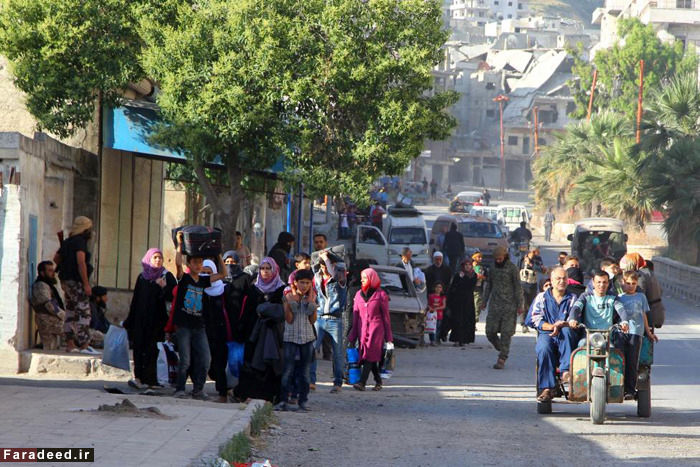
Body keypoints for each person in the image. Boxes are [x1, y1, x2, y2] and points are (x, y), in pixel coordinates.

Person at [172, 233, 226, 399]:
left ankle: (198, 389)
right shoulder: (184, 279)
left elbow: (223, 274)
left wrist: (218, 254)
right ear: (189, 264)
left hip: (199, 326)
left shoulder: (204, 281)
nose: (198, 265)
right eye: (195, 262)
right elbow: (178, 263)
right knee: (185, 360)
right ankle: (180, 389)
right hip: (183, 326)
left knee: (206, 358)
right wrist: (180, 244)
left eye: (200, 262)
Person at [233, 257, 287, 402]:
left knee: (271, 363)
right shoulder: (254, 289)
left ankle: (271, 396)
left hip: (273, 332)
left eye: (268, 268)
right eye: (262, 269)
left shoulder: (281, 289)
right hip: (254, 332)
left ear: (274, 270)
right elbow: (246, 312)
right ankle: (248, 394)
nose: (265, 272)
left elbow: (284, 312)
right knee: (252, 362)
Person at [124, 248, 176, 389]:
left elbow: (174, 297)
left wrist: (164, 287)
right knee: (139, 348)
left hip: (158, 322)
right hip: (140, 321)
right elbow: (135, 300)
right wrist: (129, 321)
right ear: (148, 259)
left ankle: (151, 380)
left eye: (160, 257)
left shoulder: (166, 276)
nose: (158, 260)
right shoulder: (142, 278)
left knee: (153, 350)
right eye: (155, 257)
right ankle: (138, 378)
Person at [529, 267, 579, 403]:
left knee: (567, 332)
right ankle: (546, 388)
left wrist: (563, 324)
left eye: (564, 278)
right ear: (551, 281)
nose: (561, 281)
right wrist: (552, 326)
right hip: (547, 333)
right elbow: (533, 319)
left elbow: (575, 317)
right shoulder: (542, 298)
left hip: (566, 332)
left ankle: (565, 371)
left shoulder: (573, 298)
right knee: (543, 348)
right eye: (558, 279)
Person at [276, 268, 318, 412]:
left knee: (305, 372)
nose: (304, 286)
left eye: (307, 283)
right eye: (302, 282)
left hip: (307, 338)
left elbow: (312, 320)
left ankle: (303, 401)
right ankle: (283, 400)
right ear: (295, 282)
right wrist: (291, 303)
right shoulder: (287, 295)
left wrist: (312, 304)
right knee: (288, 370)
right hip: (291, 337)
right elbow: (289, 319)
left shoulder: (313, 296)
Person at [55, 216, 97, 354]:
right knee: (83, 312)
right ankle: (84, 345)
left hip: (66, 281)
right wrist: (86, 284)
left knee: (70, 312)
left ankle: (70, 344)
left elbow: (56, 258)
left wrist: (66, 264)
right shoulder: (79, 242)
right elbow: (81, 262)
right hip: (76, 282)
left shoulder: (68, 241)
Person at [348, 268, 393, 391]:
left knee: (369, 355)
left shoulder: (381, 295)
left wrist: (388, 337)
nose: (362, 280)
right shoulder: (358, 295)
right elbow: (356, 317)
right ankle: (378, 381)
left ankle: (362, 383)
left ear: (372, 279)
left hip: (376, 331)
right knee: (369, 356)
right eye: (361, 277)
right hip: (362, 331)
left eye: (365, 277)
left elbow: (386, 317)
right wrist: (352, 336)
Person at [616, 270, 659, 399]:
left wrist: (648, 332)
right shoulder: (619, 298)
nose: (631, 286)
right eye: (628, 283)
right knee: (619, 360)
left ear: (637, 284)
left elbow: (643, 315)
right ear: (623, 282)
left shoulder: (641, 297)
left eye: (633, 283)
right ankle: (617, 387)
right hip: (621, 333)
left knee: (632, 362)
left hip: (636, 332)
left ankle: (629, 390)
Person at [311, 251, 347, 393]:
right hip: (319, 317)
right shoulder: (317, 277)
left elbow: (334, 274)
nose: (324, 269)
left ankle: (337, 382)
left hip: (334, 319)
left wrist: (327, 257)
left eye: (327, 265)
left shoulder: (340, 276)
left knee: (337, 353)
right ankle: (311, 381)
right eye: (322, 266)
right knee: (312, 349)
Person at [484, 246, 523, 369]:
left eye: (500, 258)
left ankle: (502, 358)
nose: (498, 261)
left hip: (509, 306)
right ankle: (501, 347)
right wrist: (484, 301)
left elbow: (518, 287)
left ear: (505, 256)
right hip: (495, 305)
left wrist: (520, 304)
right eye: (496, 259)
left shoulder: (512, 268)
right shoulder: (492, 268)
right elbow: (489, 285)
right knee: (490, 332)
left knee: (506, 333)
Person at [200, 259, 231, 403]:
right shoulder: (199, 289)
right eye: (203, 273)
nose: (206, 276)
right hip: (202, 331)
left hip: (220, 331)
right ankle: (197, 389)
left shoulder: (224, 289)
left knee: (219, 362)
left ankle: (222, 393)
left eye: (209, 273)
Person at [567, 270, 629, 340]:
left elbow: (621, 309)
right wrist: (573, 318)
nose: (602, 285)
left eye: (604, 282)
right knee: (581, 346)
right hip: (588, 336)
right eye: (599, 282)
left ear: (608, 283)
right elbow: (576, 307)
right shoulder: (585, 296)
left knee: (615, 347)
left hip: (607, 337)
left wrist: (625, 321)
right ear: (593, 283)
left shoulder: (613, 297)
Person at [620, 253, 666, 328]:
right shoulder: (648, 272)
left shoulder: (640, 276)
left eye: (624, 269)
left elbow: (638, 297)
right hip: (656, 312)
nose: (623, 272)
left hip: (647, 316)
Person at [30, 261, 66, 350]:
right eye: (50, 271)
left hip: (51, 319)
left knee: (50, 348)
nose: (53, 273)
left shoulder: (48, 285)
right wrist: (63, 315)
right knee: (76, 332)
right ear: (42, 273)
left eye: (53, 270)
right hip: (47, 320)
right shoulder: (41, 285)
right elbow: (49, 304)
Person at [447, 258, 478, 346]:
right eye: (466, 265)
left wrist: (463, 278)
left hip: (468, 301)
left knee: (467, 320)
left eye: (469, 265)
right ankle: (457, 339)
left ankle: (464, 339)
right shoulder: (458, 275)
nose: (467, 267)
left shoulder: (473, 275)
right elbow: (454, 286)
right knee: (458, 320)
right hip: (458, 301)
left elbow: (470, 286)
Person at [519, 249, 546, 333]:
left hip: (532, 285)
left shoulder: (538, 259)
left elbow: (541, 270)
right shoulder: (522, 259)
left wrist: (531, 263)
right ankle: (524, 324)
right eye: (532, 252)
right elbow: (518, 269)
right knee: (523, 304)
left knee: (531, 305)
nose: (534, 254)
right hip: (522, 284)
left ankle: (531, 322)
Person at [472, 252, 489, 323]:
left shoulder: (483, 268)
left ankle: (474, 321)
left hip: (478, 289)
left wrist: (482, 277)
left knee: (477, 306)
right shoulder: (469, 266)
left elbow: (488, 278)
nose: (480, 259)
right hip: (469, 289)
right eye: (478, 257)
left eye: (481, 257)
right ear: (474, 258)